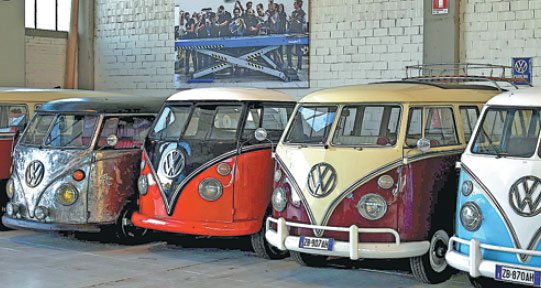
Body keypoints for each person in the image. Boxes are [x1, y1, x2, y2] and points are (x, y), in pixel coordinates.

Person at [287, 0, 306, 71]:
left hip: (298, 34)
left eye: (295, 3)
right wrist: (290, 21)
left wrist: (299, 23)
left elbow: (304, 24)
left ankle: (299, 66)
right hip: (291, 33)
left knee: (298, 50)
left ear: (298, 4)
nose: (293, 4)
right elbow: (291, 21)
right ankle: (289, 65)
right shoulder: (293, 13)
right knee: (289, 49)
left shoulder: (303, 13)